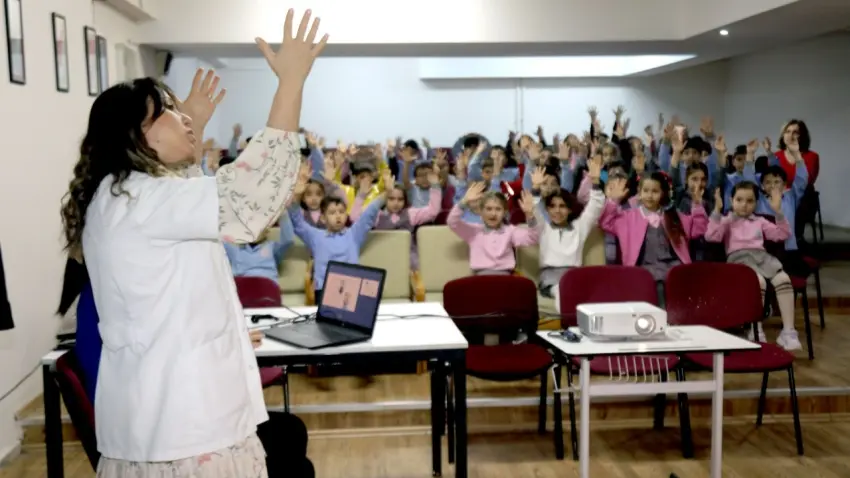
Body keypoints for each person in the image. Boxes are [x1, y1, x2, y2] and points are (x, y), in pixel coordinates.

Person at [59, 9, 327, 477]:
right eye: (166, 112)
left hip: (160, 416)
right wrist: (291, 83)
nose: (182, 116)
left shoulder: (121, 193)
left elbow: (188, 202)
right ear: (135, 136)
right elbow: (249, 198)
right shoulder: (145, 199)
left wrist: (190, 129)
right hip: (184, 423)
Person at [704, 182, 801, 350]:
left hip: (761, 258)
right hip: (739, 259)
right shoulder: (727, 220)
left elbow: (782, 234)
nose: (744, 204)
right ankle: (755, 329)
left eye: (749, 201)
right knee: (758, 282)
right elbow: (711, 237)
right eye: (739, 200)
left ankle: (788, 331)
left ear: (756, 203)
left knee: (783, 279)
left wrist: (778, 212)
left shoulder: (760, 221)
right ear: (731, 200)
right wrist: (717, 211)